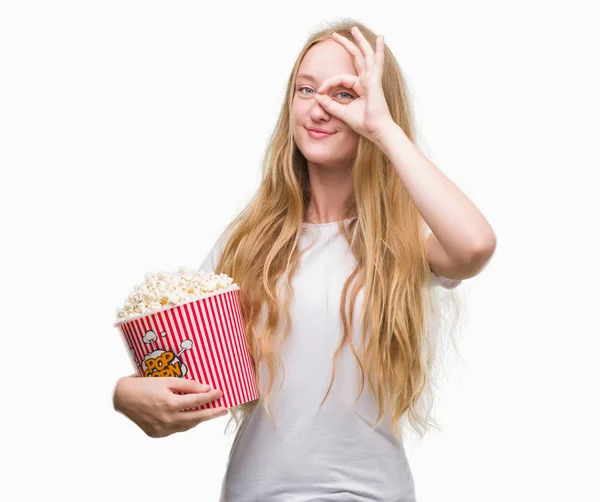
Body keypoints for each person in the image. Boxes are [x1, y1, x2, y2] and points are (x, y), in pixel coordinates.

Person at [113, 19, 496, 501]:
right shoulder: (249, 241)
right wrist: (126, 393)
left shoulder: (405, 239)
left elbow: (474, 246)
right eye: (305, 88)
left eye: (344, 94)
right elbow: (185, 370)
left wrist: (383, 129)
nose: (318, 106)